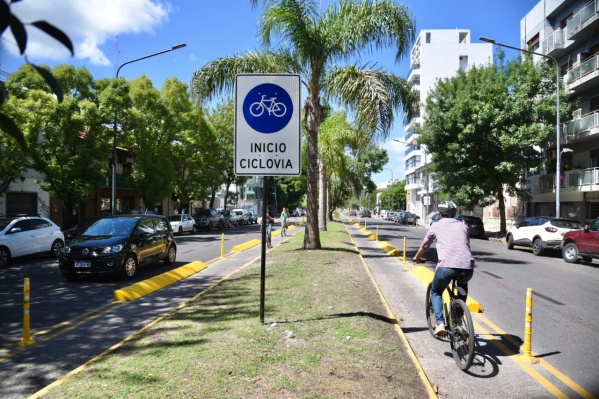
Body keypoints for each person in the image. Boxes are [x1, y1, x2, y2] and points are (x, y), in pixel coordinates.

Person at [413, 200, 474, 337]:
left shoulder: (436, 225)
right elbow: (465, 245)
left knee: (436, 291)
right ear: (454, 213)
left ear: (440, 215)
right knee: (462, 287)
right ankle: (458, 319)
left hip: (446, 266)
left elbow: (425, 245)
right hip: (467, 267)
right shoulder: (464, 226)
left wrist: (417, 257)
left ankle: (440, 323)